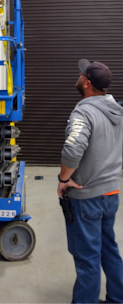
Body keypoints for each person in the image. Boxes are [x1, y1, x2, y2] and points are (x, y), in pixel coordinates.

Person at [57, 59, 123, 304]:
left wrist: (64, 179)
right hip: (111, 193)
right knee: (109, 250)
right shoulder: (115, 109)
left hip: (87, 197)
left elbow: (73, 148)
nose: (78, 75)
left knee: (87, 259)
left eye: (81, 73)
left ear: (87, 83)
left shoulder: (84, 111)